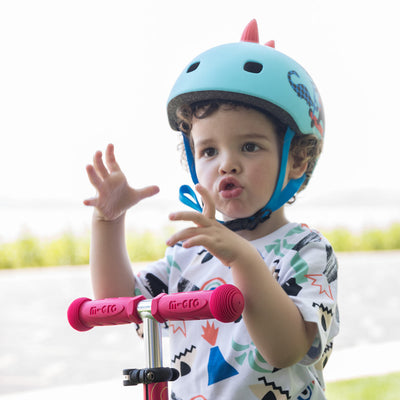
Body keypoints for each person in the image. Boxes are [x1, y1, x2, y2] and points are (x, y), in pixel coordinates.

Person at [84, 19, 339, 400]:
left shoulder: (306, 251)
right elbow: (116, 302)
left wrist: (242, 258)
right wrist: (108, 221)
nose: (226, 164)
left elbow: (286, 350)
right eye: (208, 151)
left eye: (249, 146)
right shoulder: (189, 252)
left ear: (296, 160)